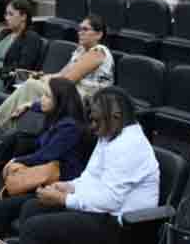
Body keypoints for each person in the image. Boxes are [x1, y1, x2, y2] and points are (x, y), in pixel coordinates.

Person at [16, 87, 160, 244]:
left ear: (116, 116)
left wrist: (64, 199)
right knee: (32, 207)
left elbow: (110, 201)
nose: (92, 126)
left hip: (118, 225)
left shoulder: (129, 145)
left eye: (96, 120)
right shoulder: (110, 133)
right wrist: (68, 186)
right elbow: (91, 177)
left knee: (34, 228)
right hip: (99, 209)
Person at [0, 78, 89, 237]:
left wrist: (18, 161)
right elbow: (41, 106)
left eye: (47, 96)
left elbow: (46, 155)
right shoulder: (56, 117)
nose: (42, 99)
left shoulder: (70, 127)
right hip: (37, 175)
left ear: (60, 102)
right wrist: (29, 105)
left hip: (55, 182)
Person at [0, 15, 114, 128]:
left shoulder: (98, 51)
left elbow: (68, 81)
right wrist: (42, 76)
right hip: (71, 92)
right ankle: (5, 125)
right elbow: (62, 74)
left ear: (99, 34)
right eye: (79, 28)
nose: (80, 32)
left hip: (85, 100)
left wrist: (45, 80)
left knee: (32, 86)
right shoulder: (81, 50)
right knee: (32, 81)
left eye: (85, 29)